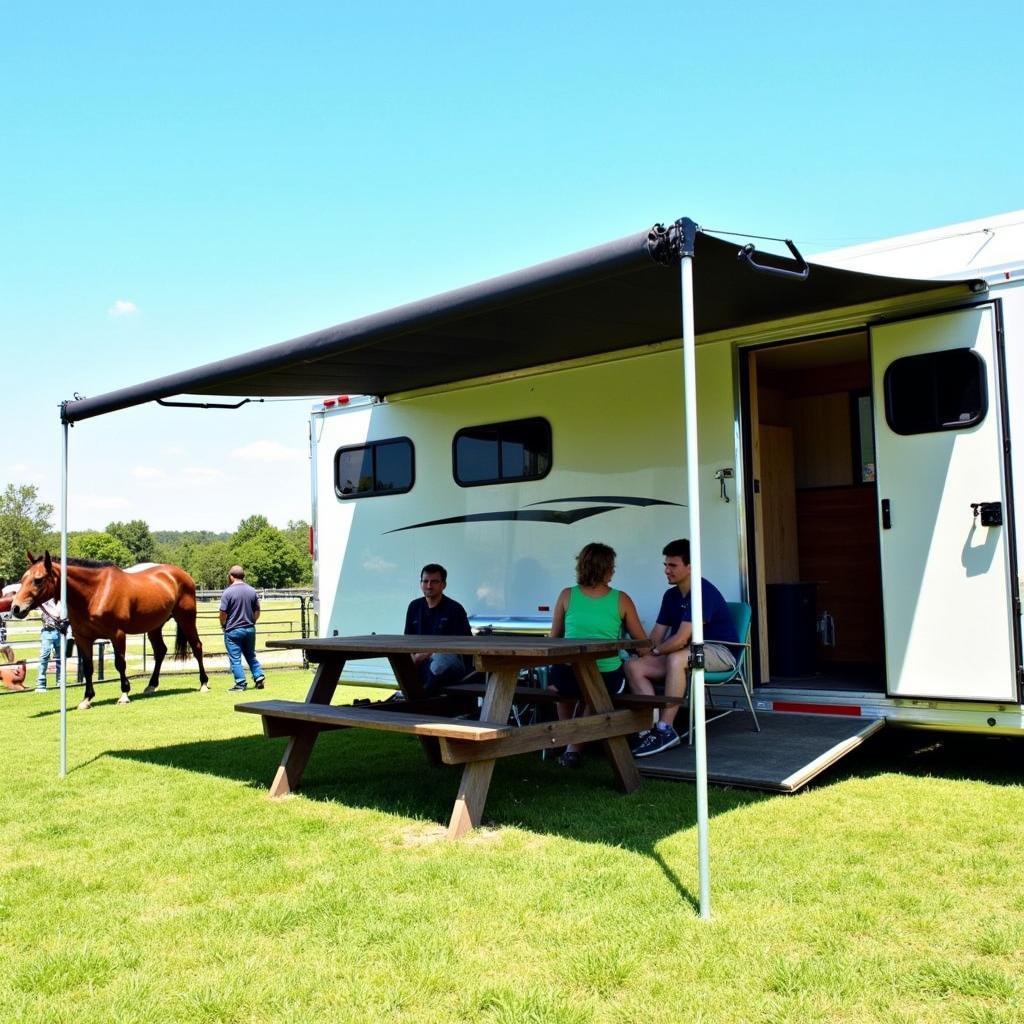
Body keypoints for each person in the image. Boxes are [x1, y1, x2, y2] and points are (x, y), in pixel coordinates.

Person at [625, 538, 738, 757]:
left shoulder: (703, 592)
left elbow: (678, 639)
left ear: (690, 566)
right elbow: (657, 636)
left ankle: (666, 730)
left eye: (673, 565)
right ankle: (650, 726)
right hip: (687, 651)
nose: (667, 570)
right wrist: (643, 652)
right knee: (634, 666)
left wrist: (655, 652)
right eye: (665, 565)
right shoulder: (671, 596)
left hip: (721, 651)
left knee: (677, 658)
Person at [548, 542, 649, 767]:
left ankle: (566, 739)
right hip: (607, 672)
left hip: (568, 671)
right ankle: (573, 747)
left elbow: (554, 637)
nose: (614, 571)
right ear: (604, 569)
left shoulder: (567, 595)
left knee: (558, 687)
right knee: (595, 692)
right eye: (611, 567)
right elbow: (641, 643)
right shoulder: (621, 599)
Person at [402, 563, 472, 696]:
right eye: (425, 581)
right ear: (420, 583)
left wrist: (426, 654)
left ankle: (424, 701)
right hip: (420, 659)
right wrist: (413, 658)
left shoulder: (455, 609)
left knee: (439, 662)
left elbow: (462, 645)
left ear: (443, 585)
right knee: (401, 661)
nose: (429, 586)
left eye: (434, 582)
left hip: (448, 661)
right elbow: (407, 640)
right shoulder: (414, 606)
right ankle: (408, 701)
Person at [219, 565, 266, 692]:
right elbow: (257, 610)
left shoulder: (227, 592)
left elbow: (223, 613)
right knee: (251, 655)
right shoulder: (252, 590)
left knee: (235, 658)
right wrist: (252, 622)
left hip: (233, 630)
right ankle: (259, 676)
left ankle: (240, 683)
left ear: (231, 576)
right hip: (250, 628)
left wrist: (223, 625)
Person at [35, 594, 65, 693]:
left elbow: (58, 614)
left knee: (60, 658)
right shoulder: (43, 600)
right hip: (47, 630)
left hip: (59, 631)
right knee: (44, 656)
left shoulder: (60, 599)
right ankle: (41, 684)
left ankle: (60, 681)